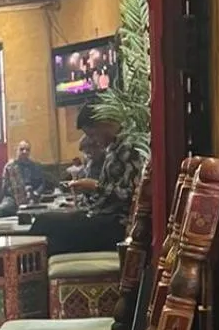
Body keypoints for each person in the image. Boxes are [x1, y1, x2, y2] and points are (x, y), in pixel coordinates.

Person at [29, 105, 148, 254]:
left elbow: (130, 195)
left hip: (115, 225)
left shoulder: (129, 148)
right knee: (46, 225)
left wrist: (95, 187)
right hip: (102, 216)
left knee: (47, 225)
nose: (94, 140)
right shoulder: (113, 148)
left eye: (92, 134)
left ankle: (31, 273)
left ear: (103, 123)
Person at [0, 139, 48, 215]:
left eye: (27, 150)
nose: (24, 152)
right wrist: (20, 193)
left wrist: (36, 193)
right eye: (22, 149)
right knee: (6, 208)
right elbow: (5, 188)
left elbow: (42, 184)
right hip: (13, 197)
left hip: (32, 196)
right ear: (17, 150)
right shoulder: (10, 167)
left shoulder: (35, 166)